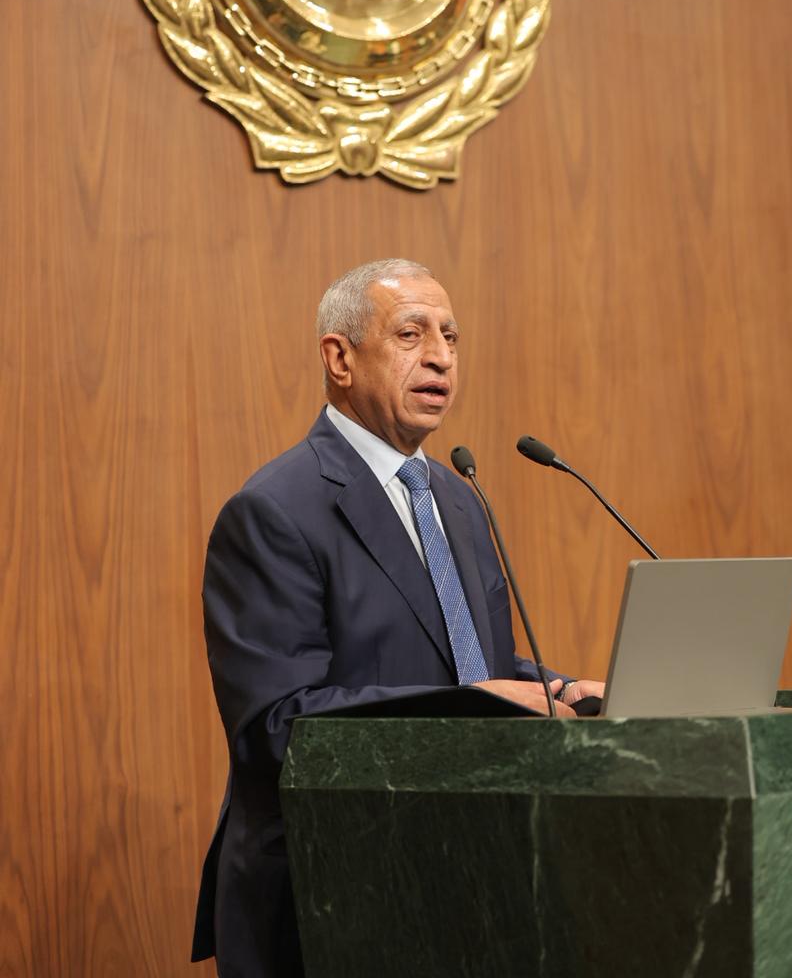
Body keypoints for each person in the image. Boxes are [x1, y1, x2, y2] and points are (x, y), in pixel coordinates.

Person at [191, 258, 603, 977]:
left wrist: (557, 688)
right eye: (411, 334)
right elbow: (276, 727)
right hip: (329, 891)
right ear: (339, 358)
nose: (441, 357)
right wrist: (475, 705)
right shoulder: (274, 511)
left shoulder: (457, 497)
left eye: (451, 336)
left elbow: (473, 663)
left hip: (463, 872)